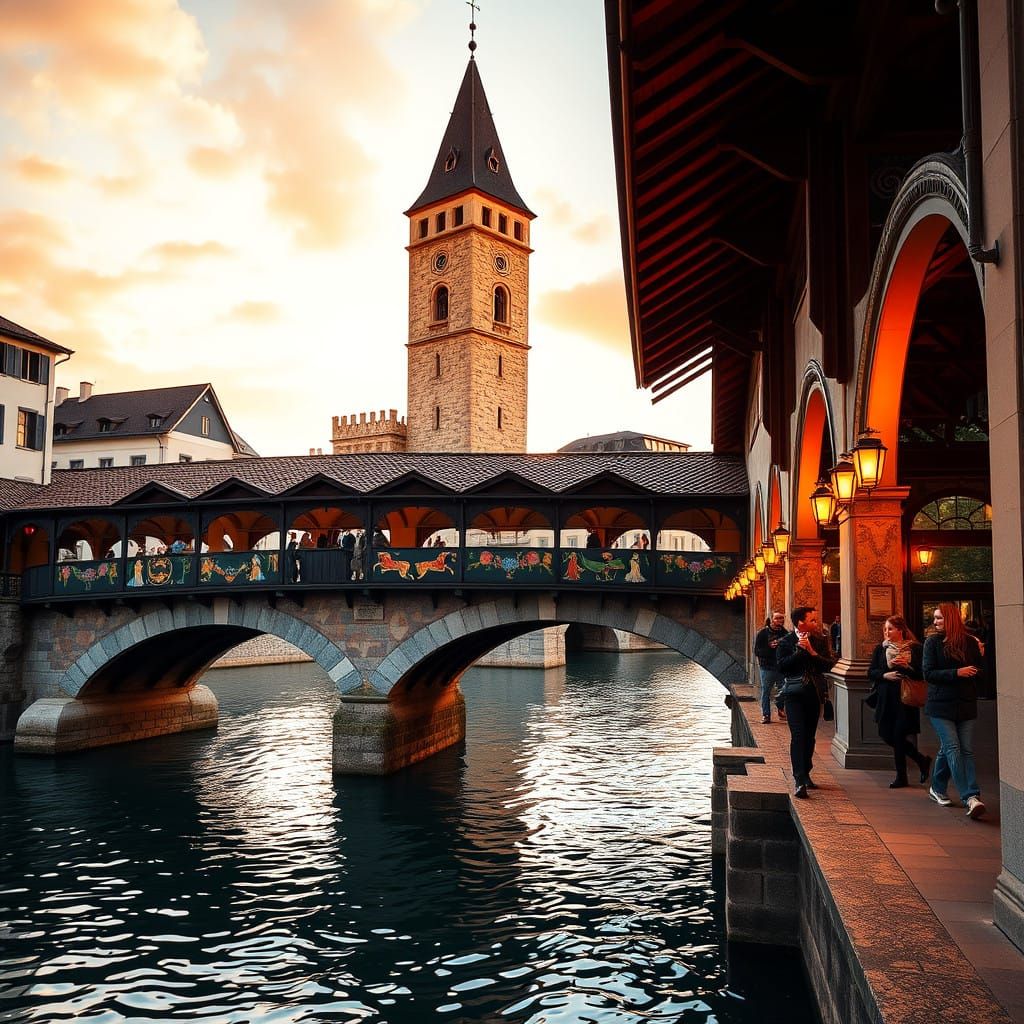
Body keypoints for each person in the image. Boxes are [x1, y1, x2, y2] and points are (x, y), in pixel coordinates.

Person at [922, 602, 986, 818]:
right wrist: (956, 673)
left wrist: (981, 658)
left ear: (950, 619)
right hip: (940, 705)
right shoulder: (932, 642)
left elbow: (980, 671)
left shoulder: (969, 642)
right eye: (935, 618)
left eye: (939, 618)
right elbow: (928, 674)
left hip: (966, 704)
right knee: (953, 747)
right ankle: (970, 796)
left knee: (962, 749)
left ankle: (937, 788)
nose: (935, 622)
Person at [776, 605, 835, 799]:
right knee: (798, 735)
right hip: (793, 694)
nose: (816, 623)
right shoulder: (786, 641)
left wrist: (812, 652)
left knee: (810, 736)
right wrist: (800, 652)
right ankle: (799, 779)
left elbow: (828, 664)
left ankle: (807, 771)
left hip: (814, 693)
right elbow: (783, 667)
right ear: (800, 622)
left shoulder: (819, 641)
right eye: (812, 620)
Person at [867, 615, 931, 789]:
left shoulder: (915, 648)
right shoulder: (880, 649)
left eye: (890, 629)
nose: (887, 632)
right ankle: (921, 759)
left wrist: (906, 667)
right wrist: (884, 675)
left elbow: (922, 674)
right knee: (885, 734)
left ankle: (901, 777)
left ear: (900, 630)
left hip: (905, 697)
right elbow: (871, 672)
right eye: (885, 629)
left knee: (898, 735)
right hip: (885, 697)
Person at [753, 610, 787, 724]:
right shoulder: (763, 633)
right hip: (767, 667)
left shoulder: (785, 633)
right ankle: (766, 715)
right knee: (766, 691)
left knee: (784, 689)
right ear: (772, 619)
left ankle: (780, 707)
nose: (780, 620)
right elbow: (757, 651)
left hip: (781, 667)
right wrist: (769, 647)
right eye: (777, 618)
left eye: (781, 618)